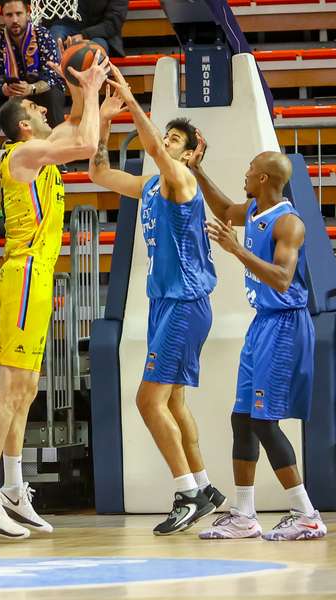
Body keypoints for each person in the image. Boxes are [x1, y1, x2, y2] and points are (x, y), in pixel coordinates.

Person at [0, 50, 107, 540]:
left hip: (39, 277)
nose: (47, 111)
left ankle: (13, 489)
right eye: (38, 111)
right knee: (10, 387)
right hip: (23, 275)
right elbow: (85, 139)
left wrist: (97, 93)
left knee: (25, 391)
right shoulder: (23, 155)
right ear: (24, 126)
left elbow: (80, 126)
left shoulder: (41, 148)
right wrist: (85, 87)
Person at [87, 70, 226, 535]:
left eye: (173, 139)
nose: (164, 142)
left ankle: (186, 493)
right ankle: (204, 486)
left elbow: (149, 149)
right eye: (163, 136)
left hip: (185, 302)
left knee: (148, 402)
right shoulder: (149, 186)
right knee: (175, 404)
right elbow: (99, 172)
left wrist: (127, 96)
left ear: (189, 154)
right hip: (167, 304)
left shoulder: (181, 180)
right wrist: (105, 119)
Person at [190, 145, 326, 541]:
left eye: (250, 170)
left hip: (286, 324)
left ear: (264, 178)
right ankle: (244, 514)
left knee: (265, 421)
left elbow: (283, 279)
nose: (245, 175)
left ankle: (307, 513)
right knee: (242, 419)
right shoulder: (252, 210)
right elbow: (225, 209)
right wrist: (198, 171)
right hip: (262, 323)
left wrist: (236, 249)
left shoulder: (289, 223)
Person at [0, 0, 65, 156]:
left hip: (40, 90)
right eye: (9, 15)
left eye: (19, 14)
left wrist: (31, 88)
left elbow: (53, 76)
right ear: (2, 18)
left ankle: (58, 153)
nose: (15, 20)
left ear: (28, 13)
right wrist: (2, 88)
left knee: (53, 94)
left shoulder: (43, 35)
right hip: (11, 91)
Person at [44, 0, 128, 57]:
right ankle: (54, 80)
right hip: (65, 25)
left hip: (98, 33)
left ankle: (89, 82)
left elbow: (113, 23)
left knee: (96, 49)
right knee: (54, 35)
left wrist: (84, 35)